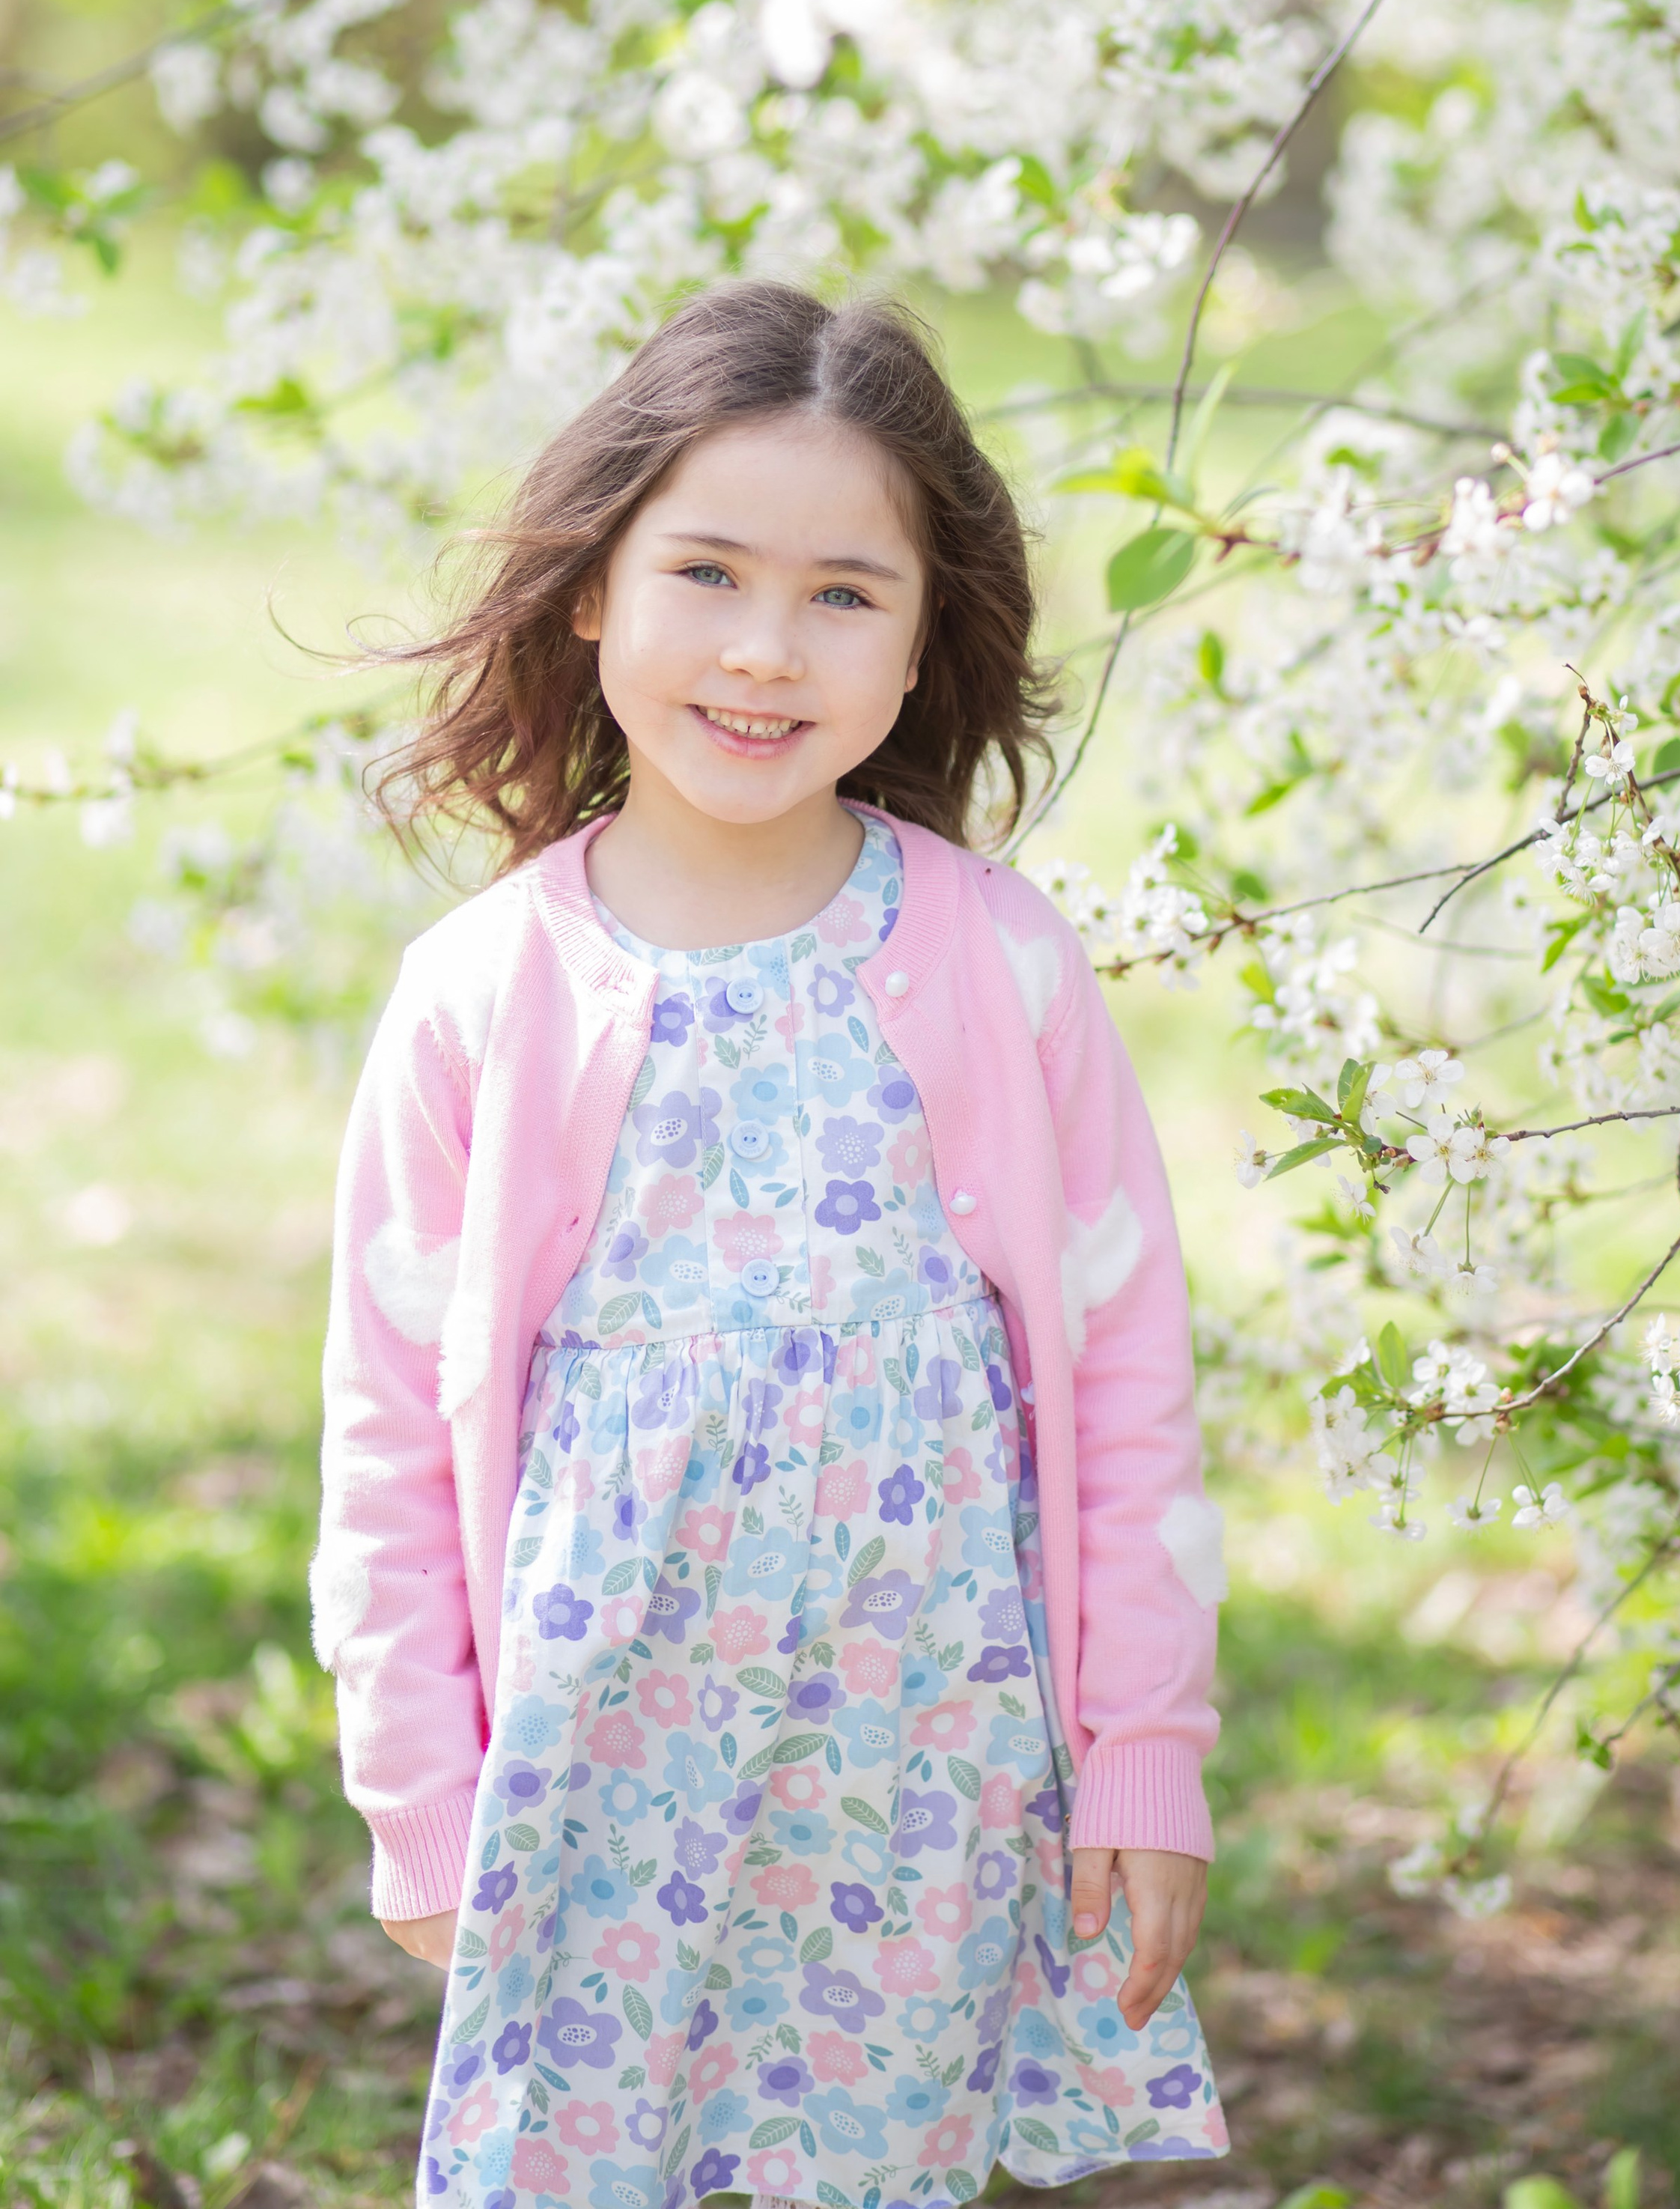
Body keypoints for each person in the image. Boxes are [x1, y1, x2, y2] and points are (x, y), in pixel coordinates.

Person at [311, 281, 1229, 2209]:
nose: (762, 648)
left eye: (841, 592)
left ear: (919, 642)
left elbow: (1128, 1385)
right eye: (705, 571)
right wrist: (420, 1791)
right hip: (600, 1758)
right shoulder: (486, 989)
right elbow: (388, 1428)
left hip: (924, 1756)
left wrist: (1139, 1749)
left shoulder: (997, 961)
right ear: (592, 590)